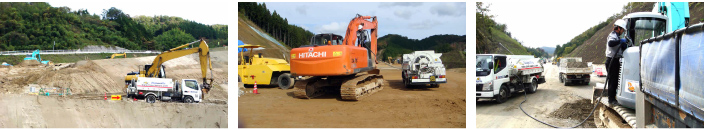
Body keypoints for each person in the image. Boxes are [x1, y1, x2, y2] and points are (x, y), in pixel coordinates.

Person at [605, 19, 629, 105]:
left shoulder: (617, 37)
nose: (622, 31)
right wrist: (620, 41)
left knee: (615, 81)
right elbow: (611, 43)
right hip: (611, 61)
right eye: (622, 29)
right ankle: (611, 100)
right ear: (618, 28)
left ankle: (613, 98)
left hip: (615, 61)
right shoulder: (613, 35)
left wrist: (623, 45)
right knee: (612, 80)